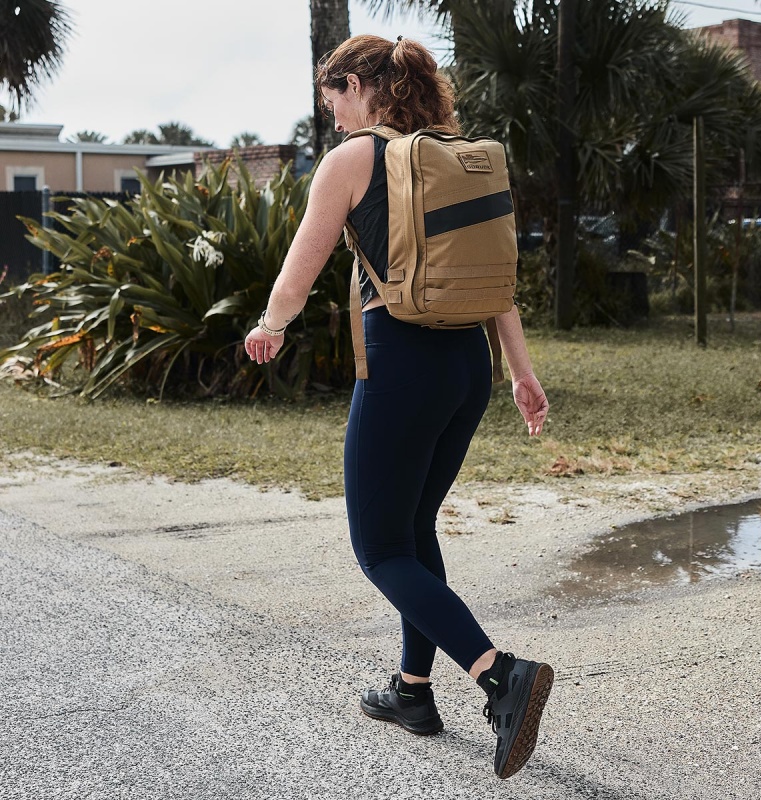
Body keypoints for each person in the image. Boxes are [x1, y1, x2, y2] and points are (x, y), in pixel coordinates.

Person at [244, 33, 554, 780]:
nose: (336, 122)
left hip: (403, 364)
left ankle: (497, 674)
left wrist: (269, 325)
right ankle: (413, 692)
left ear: (356, 84)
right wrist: (521, 372)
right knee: (413, 529)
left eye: (335, 104)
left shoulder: (354, 161)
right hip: (467, 369)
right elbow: (494, 281)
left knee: (380, 548)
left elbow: (301, 266)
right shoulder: (451, 152)